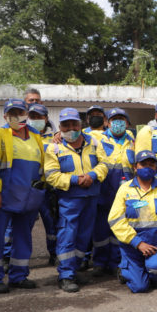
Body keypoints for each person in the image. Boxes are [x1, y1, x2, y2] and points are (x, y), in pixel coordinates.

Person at [0, 98, 45, 293]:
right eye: (12, 113)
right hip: (5, 196)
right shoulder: (0, 134)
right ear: (5, 116)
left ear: (26, 114)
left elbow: (40, 167)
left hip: (29, 197)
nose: (16, 117)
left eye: (20, 112)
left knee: (24, 237)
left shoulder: (36, 136)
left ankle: (19, 276)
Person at [44, 108, 109, 292]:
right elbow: (51, 176)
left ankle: (75, 268)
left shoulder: (94, 142)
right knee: (67, 236)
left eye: (74, 124)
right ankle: (65, 275)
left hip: (91, 197)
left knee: (84, 236)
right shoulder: (54, 147)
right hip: (69, 199)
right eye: (66, 125)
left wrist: (93, 175)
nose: (70, 128)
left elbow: (104, 164)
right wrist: (75, 179)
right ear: (60, 127)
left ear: (81, 125)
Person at [108, 150, 157, 293]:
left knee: (155, 267)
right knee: (140, 287)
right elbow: (115, 219)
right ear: (135, 167)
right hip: (133, 247)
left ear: (156, 168)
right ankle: (126, 271)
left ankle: (154, 274)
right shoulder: (125, 189)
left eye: (151, 165)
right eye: (143, 164)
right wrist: (138, 243)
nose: (147, 168)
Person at [92, 107, 135, 277]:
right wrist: (58, 136)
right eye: (114, 119)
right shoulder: (96, 139)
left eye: (122, 119)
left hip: (125, 190)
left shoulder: (133, 140)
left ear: (127, 123)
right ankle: (100, 263)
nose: (118, 123)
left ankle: (118, 262)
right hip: (104, 189)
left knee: (122, 227)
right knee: (101, 229)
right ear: (107, 123)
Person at [25, 103, 58, 265]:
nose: (36, 120)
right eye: (33, 117)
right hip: (29, 188)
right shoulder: (23, 135)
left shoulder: (56, 138)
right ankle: (10, 258)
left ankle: (55, 254)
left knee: (52, 225)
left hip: (49, 190)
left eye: (39, 117)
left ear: (46, 119)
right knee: (23, 226)